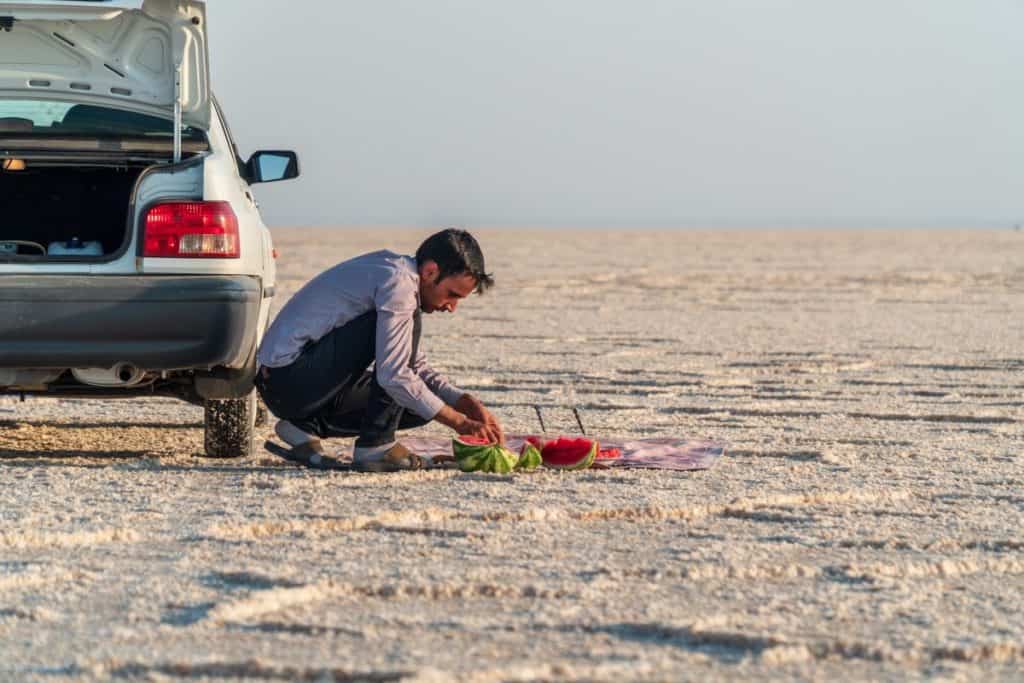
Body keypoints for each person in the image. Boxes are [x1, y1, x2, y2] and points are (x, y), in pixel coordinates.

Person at [254, 229, 503, 471]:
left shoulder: (402, 278)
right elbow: (394, 374)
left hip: (293, 386)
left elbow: (412, 364)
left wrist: (462, 401)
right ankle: (377, 446)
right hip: (287, 378)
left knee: (424, 401)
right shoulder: (400, 283)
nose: (452, 307)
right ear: (430, 271)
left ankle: (305, 427)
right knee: (407, 381)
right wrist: (459, 422)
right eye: (452, 295)